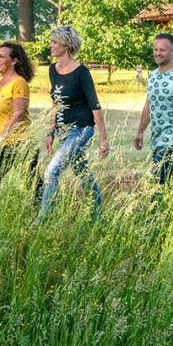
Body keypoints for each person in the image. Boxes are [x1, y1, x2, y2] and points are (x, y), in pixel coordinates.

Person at [40, 25, 107, 219]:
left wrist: (104, 139)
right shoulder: (53, 69)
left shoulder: (81, 72)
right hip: (63, 131)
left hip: (81, 129)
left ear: (66, 45)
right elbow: (56, 102)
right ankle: (98, 215)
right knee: (81, 171)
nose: (50, 45)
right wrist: (51, 132)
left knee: (52, 171)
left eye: (54, 42)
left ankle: (43, 220)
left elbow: (95, 106)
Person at [0, 42, 40, 206]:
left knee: (34, 187)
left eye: (2, 56)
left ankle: (47, 217)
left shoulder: (19, 83)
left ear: (14, 61)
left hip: (18, 143)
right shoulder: (1, 82)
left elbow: (18, 113)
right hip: (3, 142)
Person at [134, 33, 173, 189]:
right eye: (155, 49)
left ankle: (153, 212)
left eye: (162, 50)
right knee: (167, 178)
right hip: (157, 136)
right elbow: (149, 105)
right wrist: (140, 131)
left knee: (158, 177)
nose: (157, 53)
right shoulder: (153, 76)